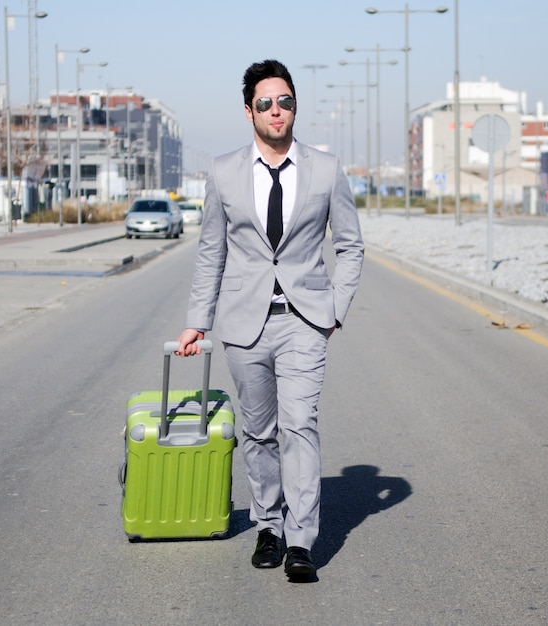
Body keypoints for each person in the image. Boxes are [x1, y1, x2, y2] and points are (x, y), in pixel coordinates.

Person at [176, 59, 364, 579]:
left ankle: (301, 540)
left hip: (305, 321)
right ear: (248, 111)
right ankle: (269, 525)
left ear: (295, 107)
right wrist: (198, 320)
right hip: (244, 324)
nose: (276, 111)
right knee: (259, 432)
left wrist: (335, 311)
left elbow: (350, 246)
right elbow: (211, 251)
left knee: (299, 425)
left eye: (285, 101)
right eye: (265, 103)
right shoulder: (223, 171)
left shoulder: (326, 169)